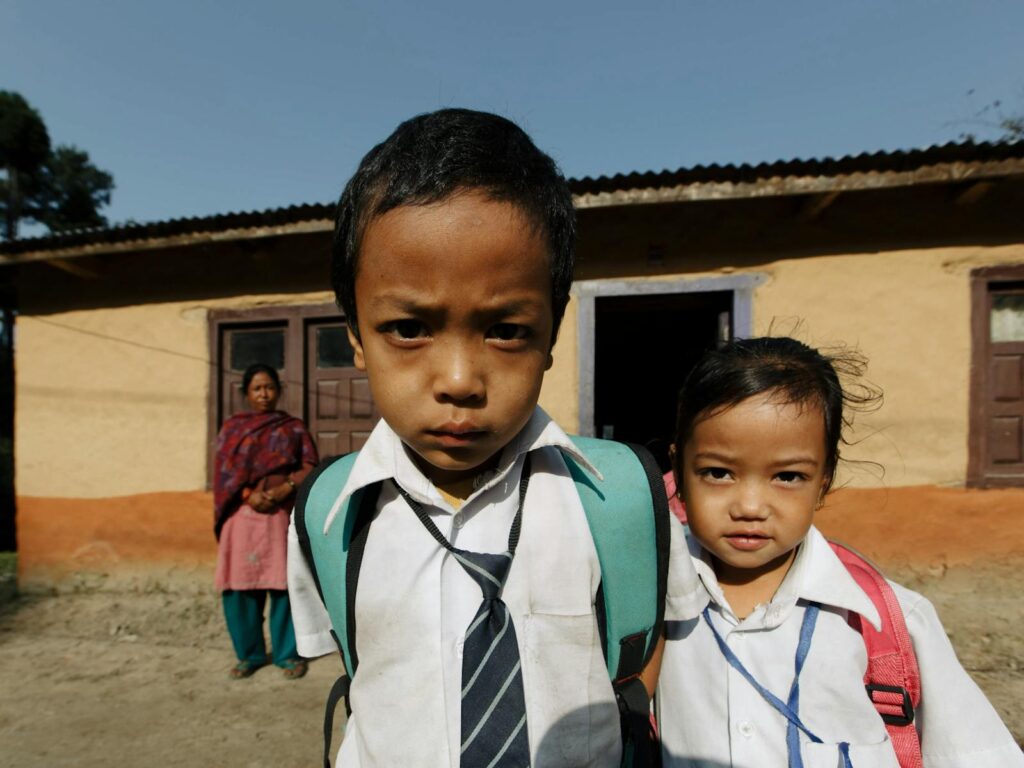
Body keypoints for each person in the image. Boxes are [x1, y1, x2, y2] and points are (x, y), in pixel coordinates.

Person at [287, 108, 704, 767]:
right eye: (408, 328)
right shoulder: (328, 512)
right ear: (357, 339)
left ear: (551, 335)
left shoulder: (620, 498)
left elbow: (658, 652)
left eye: (506, 330)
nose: (458, 380)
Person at [657, 337, 1023, 767]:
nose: (750, 507)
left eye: (788, 477)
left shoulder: (888, 622)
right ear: (679, 471)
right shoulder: (645, 603)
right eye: (718, 472)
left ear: (824, 480)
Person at [214, 363, 319, 679]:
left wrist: (280, 490)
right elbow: (224, 473)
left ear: (278, 390)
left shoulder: (293, 428)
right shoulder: (233, 429)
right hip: (242, 516)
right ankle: (249, 655)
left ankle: (288, 654)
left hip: (279, 514)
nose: (264, 394)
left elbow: (309, 466)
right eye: (257, 388)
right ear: (246, 393)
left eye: (269, 387)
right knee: (240, 587)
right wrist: (248, 495)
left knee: (284, 585)